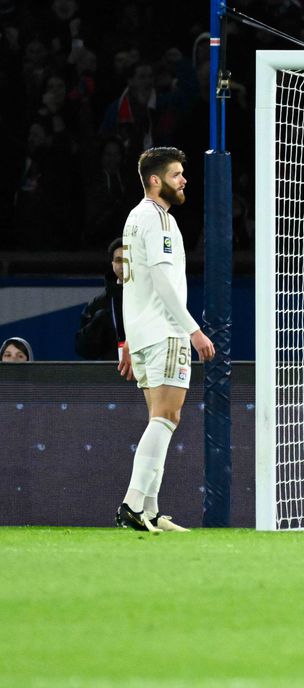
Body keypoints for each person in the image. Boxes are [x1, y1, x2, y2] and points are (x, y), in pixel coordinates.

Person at [115, 147, 215, 534]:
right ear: (155, 180)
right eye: (176, 174)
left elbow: (128, 282)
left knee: (162, 419)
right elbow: (159, 279)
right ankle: (132, 504)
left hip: (143, 333)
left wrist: (129, 340)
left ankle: (151, 511)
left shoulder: (134, 218)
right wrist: (193, 329)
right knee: (167, 417)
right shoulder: (156, 220)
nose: (183, 179)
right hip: (165, 331)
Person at [75, 238, 131, 371]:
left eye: (127, 260)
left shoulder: (151, 298)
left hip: (147, 375)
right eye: (118, 260)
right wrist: (98, 324)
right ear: (112, 264)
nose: (123, 265)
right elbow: (83, 350)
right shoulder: (99, 303)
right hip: (111, 378)